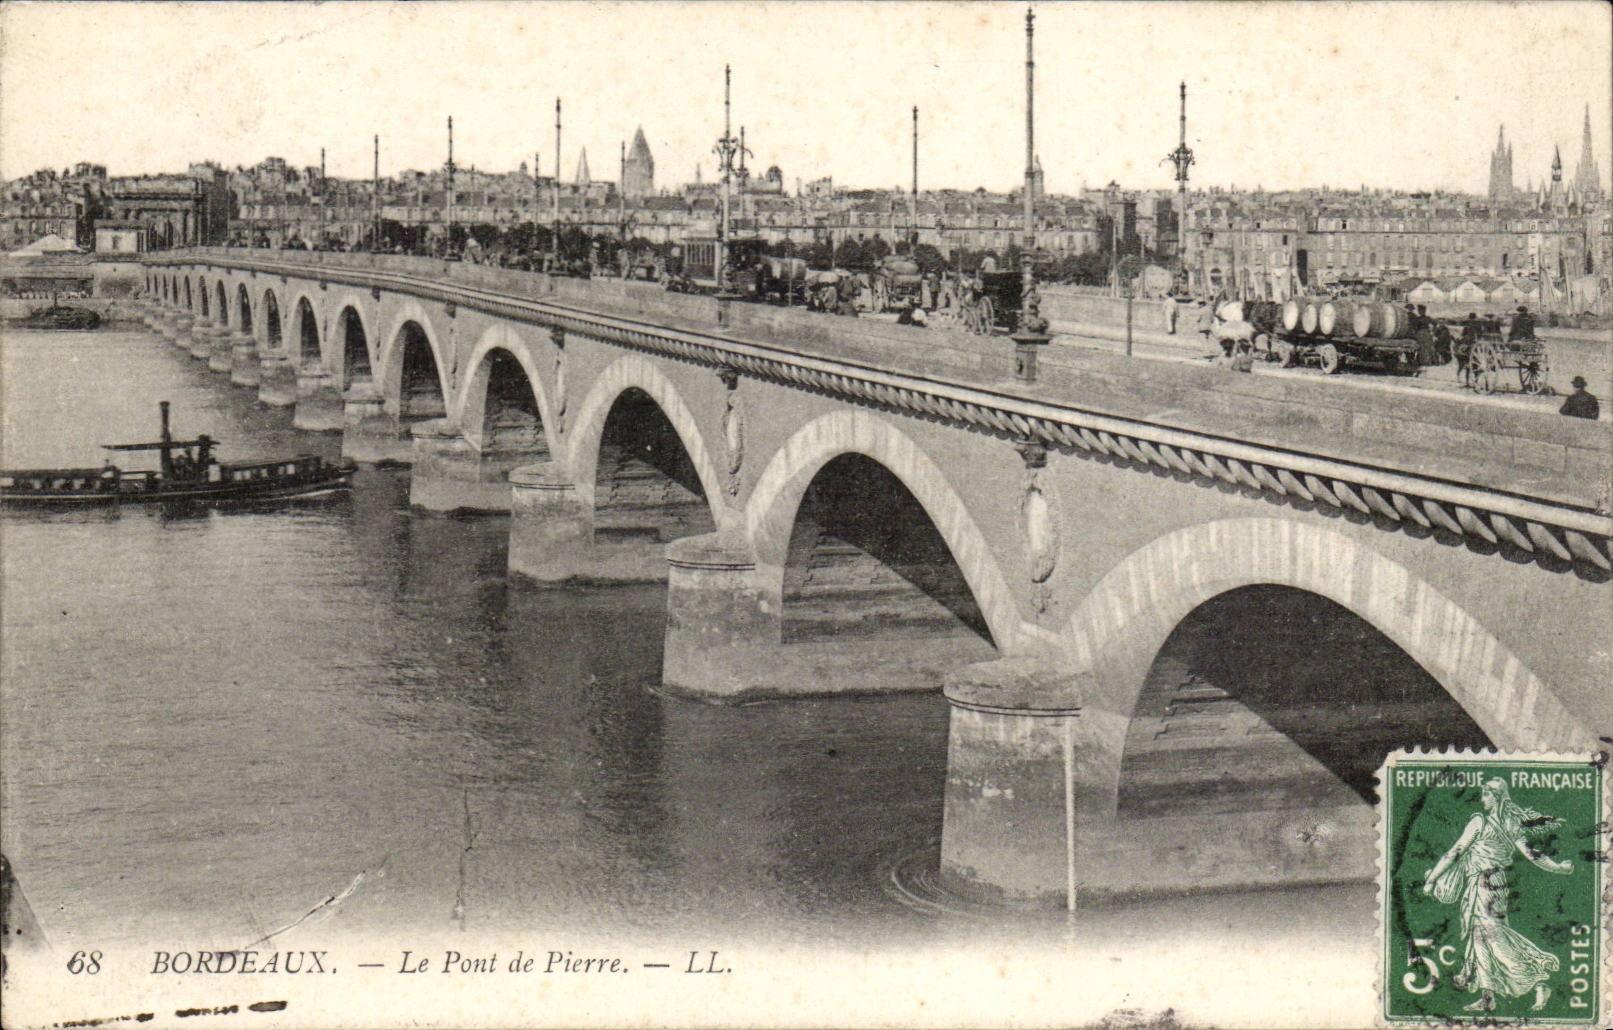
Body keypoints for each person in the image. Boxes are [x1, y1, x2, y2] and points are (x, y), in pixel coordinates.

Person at [1423, 778, 1572, 1013]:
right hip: (1497, 884)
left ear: (1495, 796)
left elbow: (1455, 852)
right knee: (1481, 939)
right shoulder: (1511, 824)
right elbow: (1533, 855)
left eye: (1485, 794)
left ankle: (1539, 982)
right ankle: (1488, 996)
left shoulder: (1479, 822)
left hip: (1483, 884)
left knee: (1495, 940)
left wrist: (1432, 879)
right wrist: (1558, 867)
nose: (1482, 799)